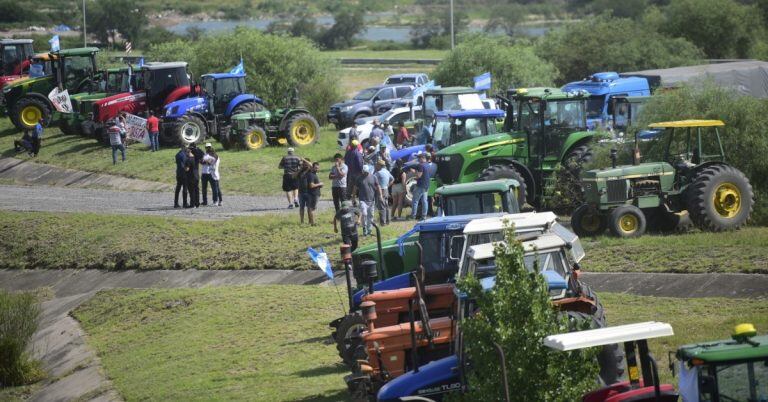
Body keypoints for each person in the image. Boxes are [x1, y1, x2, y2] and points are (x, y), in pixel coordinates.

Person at [356, 164, 377, 236]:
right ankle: (364, 228)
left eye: (366, 172)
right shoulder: (359, 178)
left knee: (371, 215)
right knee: (364, 214)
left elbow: (378, 186)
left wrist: (380, 195)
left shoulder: (373, 177)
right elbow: (355, 187)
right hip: (362, 199)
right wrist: (353, 197)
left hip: (371, 199)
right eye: (364, 172)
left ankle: (369, 230)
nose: (365, 173)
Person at [410, 153, 430, 220]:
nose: (418, 159)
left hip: (420, 185)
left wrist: (413, 172)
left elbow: (419, 176)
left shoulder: (420, 165)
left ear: (422, 158)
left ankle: (413, 216)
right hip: (426, 185)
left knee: (415, 201)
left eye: (419, 157)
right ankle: (424, 216)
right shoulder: (427, 164)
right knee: (424, 201)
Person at [374, 160, 394, 226]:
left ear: (379, 165)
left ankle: (383, 222)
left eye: (377, 164)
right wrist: (388, 185)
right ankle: (388, 221)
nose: (376, 166)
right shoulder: (387, 171)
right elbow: (392, 179)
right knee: (386, 205)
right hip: (385, 189)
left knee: (381, 206)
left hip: (380, 190)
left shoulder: (378, 173)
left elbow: (372, 179)